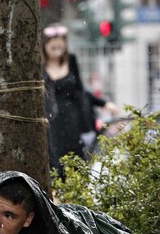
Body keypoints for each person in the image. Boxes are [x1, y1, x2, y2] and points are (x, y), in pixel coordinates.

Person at [41, 24, 120, 175]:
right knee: (56, 162)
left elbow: (81, 92)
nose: (58, 52)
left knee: (77, 161)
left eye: (61, 47)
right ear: (45, 47)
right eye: (53, 48)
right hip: (52, 121)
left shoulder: (71, 61)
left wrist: (103, 103)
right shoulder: (40, 67)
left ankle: (76, 194)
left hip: (73, 119)